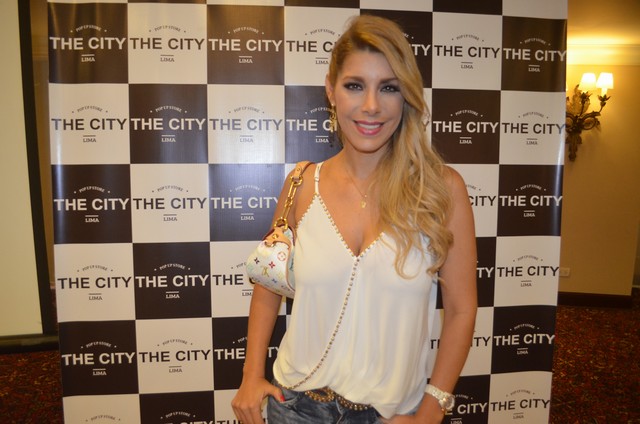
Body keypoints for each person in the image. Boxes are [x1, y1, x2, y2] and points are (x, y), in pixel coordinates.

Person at [232, 14, 477, 424]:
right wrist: (250, 375)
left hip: (392, 415)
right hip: (294, 408)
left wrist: (431, 411)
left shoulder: (441, 190)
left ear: (407, 95)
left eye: (389, 87)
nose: (371, 106)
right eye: (354, 86)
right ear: (331, 90)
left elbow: (461, 310)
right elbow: (268, 285)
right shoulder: (301, 184)